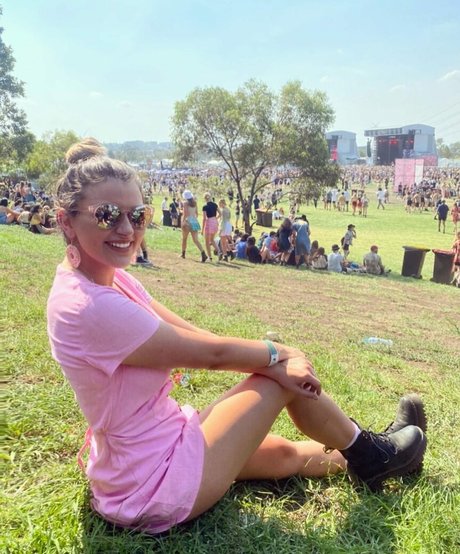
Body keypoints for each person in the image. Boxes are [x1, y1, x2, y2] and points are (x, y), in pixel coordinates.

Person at [47, 138, 427, 535]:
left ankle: (373, 450)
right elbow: (210, 355)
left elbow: (193, 335)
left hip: (158, 444)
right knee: (279, 379)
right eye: (107, 215)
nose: (127, 229)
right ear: (65, 221)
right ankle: (374, 454)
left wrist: (275, 358)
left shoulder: (113, 280)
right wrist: (281, 355)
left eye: (138, 215)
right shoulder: (88, 306)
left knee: (286, 454)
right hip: (150, 482)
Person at [181, 190, 207, 262]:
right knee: (196, 240)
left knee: (184, 238)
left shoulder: (185, 203)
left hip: (187, 221)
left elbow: (186, 214)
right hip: (194, 221)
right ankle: (203, 253)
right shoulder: (195, 203)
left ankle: (183, 253)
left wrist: (183, 221)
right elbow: (196, 214)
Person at [202, 192, 220, 261]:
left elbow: (204, 218)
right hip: (215, 222)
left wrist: (202, 229)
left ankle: (210, 257)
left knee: (207, 241)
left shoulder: (205, 206)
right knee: (212, 239)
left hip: (209, 222)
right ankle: (219, 252)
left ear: (205, 198)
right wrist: (215, 218)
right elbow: (220, 213)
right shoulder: (215, 205)